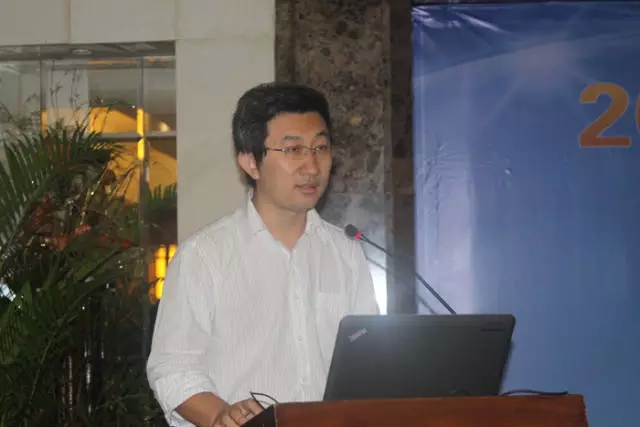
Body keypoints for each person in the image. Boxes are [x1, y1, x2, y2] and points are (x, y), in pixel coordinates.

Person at [146, 82, 380, 427]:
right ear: (250, 162)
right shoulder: (205, 255)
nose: (312, 166)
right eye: (293, 149)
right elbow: (172, 367)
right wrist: (220, 414)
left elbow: (368, 361)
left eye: (320, 147)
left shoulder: (346, 252)